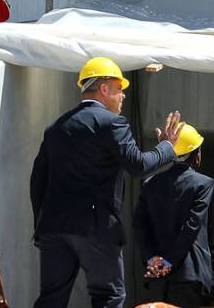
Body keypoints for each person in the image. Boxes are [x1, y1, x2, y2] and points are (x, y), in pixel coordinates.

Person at [30, 57, 183, 308]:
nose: (123, 95)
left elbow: (37, 181)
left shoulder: (55, 128)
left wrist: (42, 222)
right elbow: (138, 165)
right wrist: (167, 148)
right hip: (96, 227)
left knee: (51, 299)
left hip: (54, 227)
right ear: (104, 89)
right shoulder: (112, 123)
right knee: (109, 297)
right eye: (119, 88)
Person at [134, 124, 214, 308]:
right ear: (196, 154)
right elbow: (191, 226)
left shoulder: (150, 184)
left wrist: (152, 260)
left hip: (157, 277)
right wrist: (168, 262)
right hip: (188, 274)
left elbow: (139, 225)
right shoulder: (203, 184)